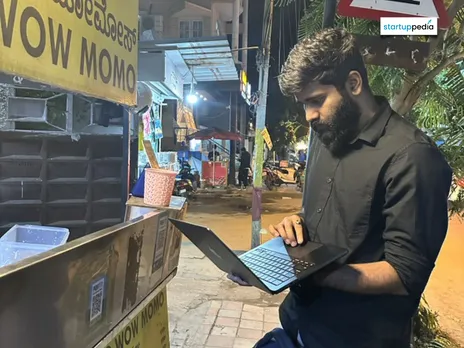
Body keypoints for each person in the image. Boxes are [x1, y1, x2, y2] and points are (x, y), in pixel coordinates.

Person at [229, 28, 452, 348]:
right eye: (303, 104)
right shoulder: (324, 135)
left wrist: (310, 272)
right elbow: (318, 215)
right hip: (296, 325)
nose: (309, 116)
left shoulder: (413, 157)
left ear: (353, 84)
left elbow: (405, 275)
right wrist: (296, 224)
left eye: (316, 100)